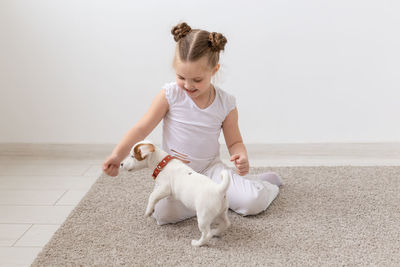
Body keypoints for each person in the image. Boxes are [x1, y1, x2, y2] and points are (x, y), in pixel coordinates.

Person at [102, 22, 283, 225]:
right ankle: (213, 199)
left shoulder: (226, 103)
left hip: (211, 171)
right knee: (163, 215)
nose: (188, 85)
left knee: (252, 203)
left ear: (214, 70)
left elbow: (234, 143)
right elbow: (141, 128)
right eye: (181, 77)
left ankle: (262, 184)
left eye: (197, 79)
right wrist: (118, 156)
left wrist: (241, 155)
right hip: (178, 177)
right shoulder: (170, 95)